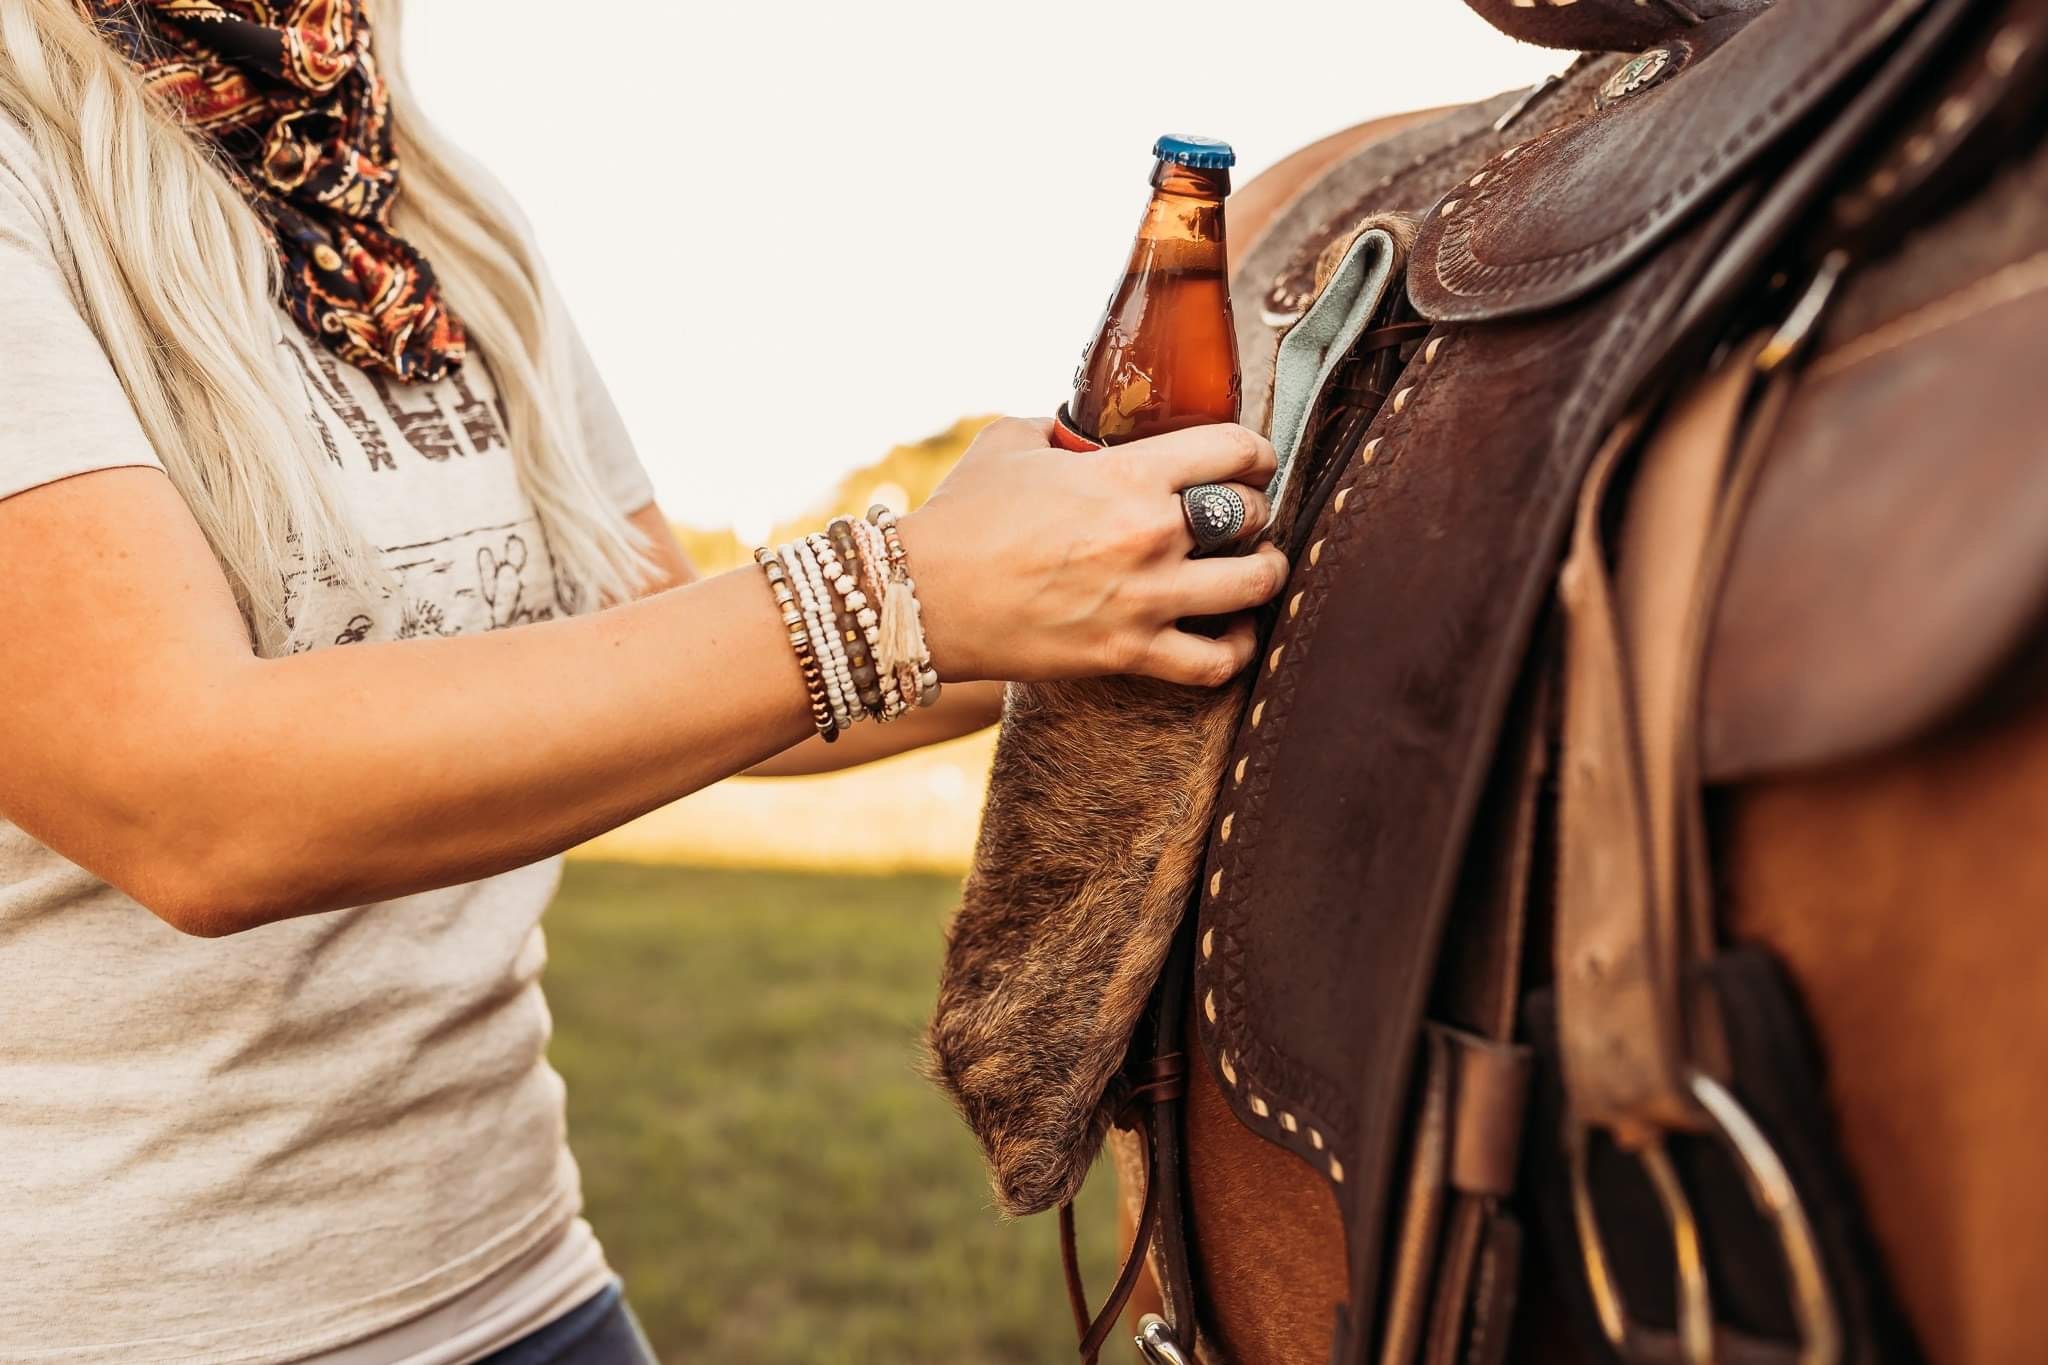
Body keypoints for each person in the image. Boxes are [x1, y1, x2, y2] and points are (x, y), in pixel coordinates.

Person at [0, 1, 1289, 1361]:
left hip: (526, 1287)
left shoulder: (425, 205)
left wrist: (1103, 582)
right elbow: (189, 800)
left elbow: (671, 652)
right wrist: (910, 582)